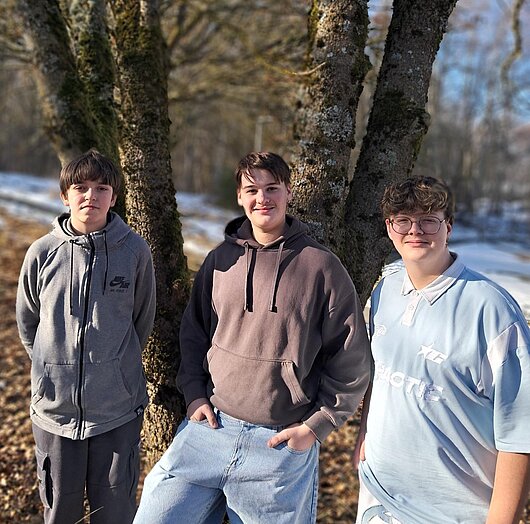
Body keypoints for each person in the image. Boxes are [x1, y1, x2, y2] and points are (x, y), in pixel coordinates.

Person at [134, 151, 371, 523]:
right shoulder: (220, 261)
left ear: (288, 192)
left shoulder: (321, 267)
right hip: (209, 430)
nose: (263, 198)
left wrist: (316, 426)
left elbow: (351, 356)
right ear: (240, 197)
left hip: (279, 445)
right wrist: (194, 394)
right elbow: (194, 334)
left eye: (272, 188)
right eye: (252, 190)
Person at [354, 176, 530, 524]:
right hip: (378, 498)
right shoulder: (385, 290)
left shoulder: (491, 310)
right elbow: (382, 372)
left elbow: (520, 431)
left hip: (453, 513)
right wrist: (364, 435)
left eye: (428, 220)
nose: (415, 230)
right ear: (389, 228)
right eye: (403, 220)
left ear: (448, 226)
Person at [16, 149, 156, 524]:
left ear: (114, 197)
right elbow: (28, 324)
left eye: (101, 188)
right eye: (80, 187)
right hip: (55, 411)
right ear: (65, 196)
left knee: (114, 512)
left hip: (116, 411)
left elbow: (141, 322)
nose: (90, 196)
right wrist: (52, 369)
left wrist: (113, 371)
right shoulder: (42, 252)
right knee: (59, 510)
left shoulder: (134, 251)